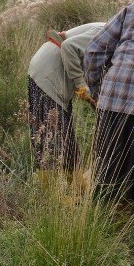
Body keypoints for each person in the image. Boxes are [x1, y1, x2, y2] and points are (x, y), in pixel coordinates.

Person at [27, 23, 103, 171]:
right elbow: (69, 47)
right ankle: (62, 190)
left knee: (56, 140)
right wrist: (82, 86)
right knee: (57, 142)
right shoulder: (104, 31)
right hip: (49, 72)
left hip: (49, 72)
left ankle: (65, 188)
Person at [85, 2, 134, 204]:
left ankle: (101, 228)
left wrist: (99, 90)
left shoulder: (132, 8)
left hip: (114, 96)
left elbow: (94, 51)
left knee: (107, 173)